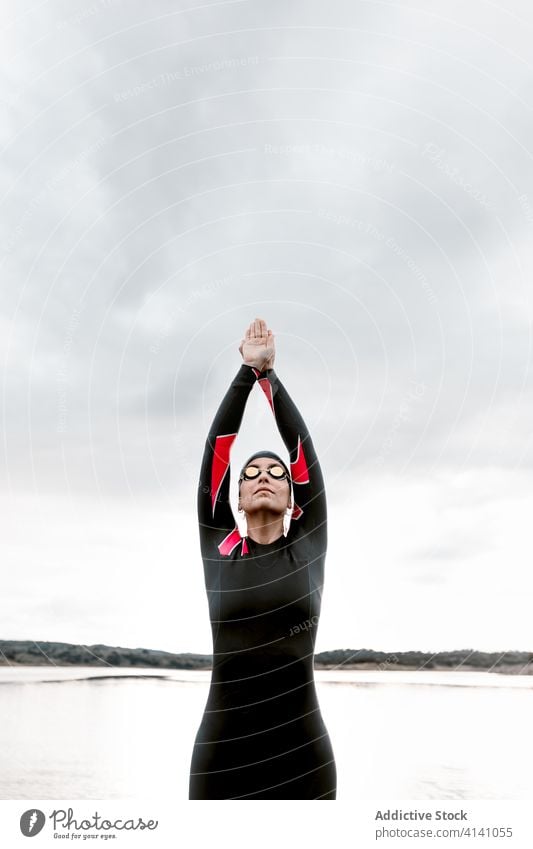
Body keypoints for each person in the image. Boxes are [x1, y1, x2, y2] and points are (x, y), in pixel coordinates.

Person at [188, 318, 337, 799]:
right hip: (222, 751)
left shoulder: (308, 544)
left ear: (295, 498)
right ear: (237, 496)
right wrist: (245, 374)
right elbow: (217, 453)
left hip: (302, 752)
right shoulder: (220, 548)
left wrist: (269, 378)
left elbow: (304, 455)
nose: (264, 475)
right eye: (251, 473)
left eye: (276, 471)